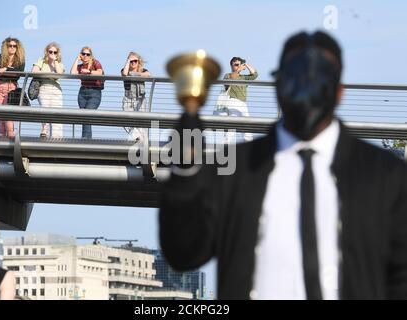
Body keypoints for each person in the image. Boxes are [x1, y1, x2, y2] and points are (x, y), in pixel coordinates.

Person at [159, 31, 407, 299]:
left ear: (338, 92)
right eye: (296, 78)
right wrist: (184, 171)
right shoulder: (234, 170)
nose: (305, 91)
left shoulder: (386, 176)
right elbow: (183, 253)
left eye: (316, 79)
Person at [0, 37, 26, 139]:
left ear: (18, 48)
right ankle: (1, 138)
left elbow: (18, 74)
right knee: (0, 114)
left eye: (14, 46)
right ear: (5, 47)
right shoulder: (0, 57)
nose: (12, 48)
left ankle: (11, 137)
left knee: (8, 113)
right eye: (9, 46)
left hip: (12, 88)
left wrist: (6, 69)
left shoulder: (20, 59)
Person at [215, 57, 258, 142]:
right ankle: (226, 144)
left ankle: (248, 143)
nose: (238, 66)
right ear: (232, 66)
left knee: (247, 124)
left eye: (239, 64)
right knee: (232, 125)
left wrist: (245, 65)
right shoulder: (228, 75)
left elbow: (255, 74)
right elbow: (227, 83)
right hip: (233, 102)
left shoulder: (244, 77)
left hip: (243, 103)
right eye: (236, 65)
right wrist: (238, 70)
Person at [32, 42, 65, 139]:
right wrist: (50, 74)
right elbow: (34, 71)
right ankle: (44, 131)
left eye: (55, 52)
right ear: (47, 52)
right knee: (45, 109)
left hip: (56, 90)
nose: (53, 54)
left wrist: (55, 61)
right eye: (50, 52)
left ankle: (57, 137)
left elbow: (59, 73)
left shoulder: (59, 64)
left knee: (57, 113)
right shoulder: (41, 61)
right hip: (44, 88)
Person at [70, 46, 104, 139]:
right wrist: (77, 59)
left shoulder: (95, 63)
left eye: (88, 54)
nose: (85, 56)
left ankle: (85, 139)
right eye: (83, 54)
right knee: (84, 117)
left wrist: (89, 71)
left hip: (94, 92)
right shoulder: (80, 66)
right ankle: (87, 139)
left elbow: (100, 72)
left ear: (91, 55)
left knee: (87, 114)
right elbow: (72, 73)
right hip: (83, 92)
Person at [121, 52, 151, 141]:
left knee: (141, 121)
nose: (133, 63)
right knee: (125, 120)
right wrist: (127, 62)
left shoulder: (142, 70)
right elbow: (125, 74)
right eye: (131, 61)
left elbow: (148, 75)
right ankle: (137, 136)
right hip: (128, 98)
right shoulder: (124, 69)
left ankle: (142, 140)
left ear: (138, 62)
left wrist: (135, 74)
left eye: (135, 61)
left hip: (140, 99)